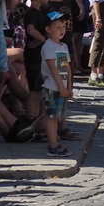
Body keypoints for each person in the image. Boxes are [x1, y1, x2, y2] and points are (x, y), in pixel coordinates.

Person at [39, 11, 73, 156]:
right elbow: (53, 68)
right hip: (52, 87)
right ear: (48, 29)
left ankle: (55, 143)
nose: (62, 30)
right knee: (51, 117)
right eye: (58, 27)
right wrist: (61, 86)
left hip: (62, 88)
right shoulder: (48, 46)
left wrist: (69, 86)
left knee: (58, 117)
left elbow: (67, 68)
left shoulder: (63, 46)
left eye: (63, 27)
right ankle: (53, 145)